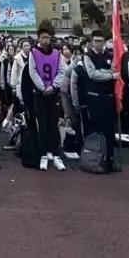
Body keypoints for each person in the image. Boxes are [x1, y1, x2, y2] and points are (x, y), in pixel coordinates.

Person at [72, 29, 118, 172]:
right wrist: (110, 75)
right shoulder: (88, 56)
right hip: (94, 97)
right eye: (96, 41)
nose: (99, 44)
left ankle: (109, 160)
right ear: (92, 42)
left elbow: (114, 71)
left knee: (110, 131)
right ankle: (95, 160)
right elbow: (92, 75)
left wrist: (106, 73)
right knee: (96, 130)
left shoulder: (110, 55)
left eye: (101, 41)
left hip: (109, 97)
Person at [28, 25, 67, 171]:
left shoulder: (57, 53)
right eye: (42, 37)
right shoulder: (34, 52)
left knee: (54, 125)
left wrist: (54, 86)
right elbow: (32, 71)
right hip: (40, 93)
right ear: (38, 38)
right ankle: (43, 154)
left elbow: (61, 71)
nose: (45, 40)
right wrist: (42, 87)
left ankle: (56, 154)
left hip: (53, 93)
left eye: (47, 38)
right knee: (43, 125)